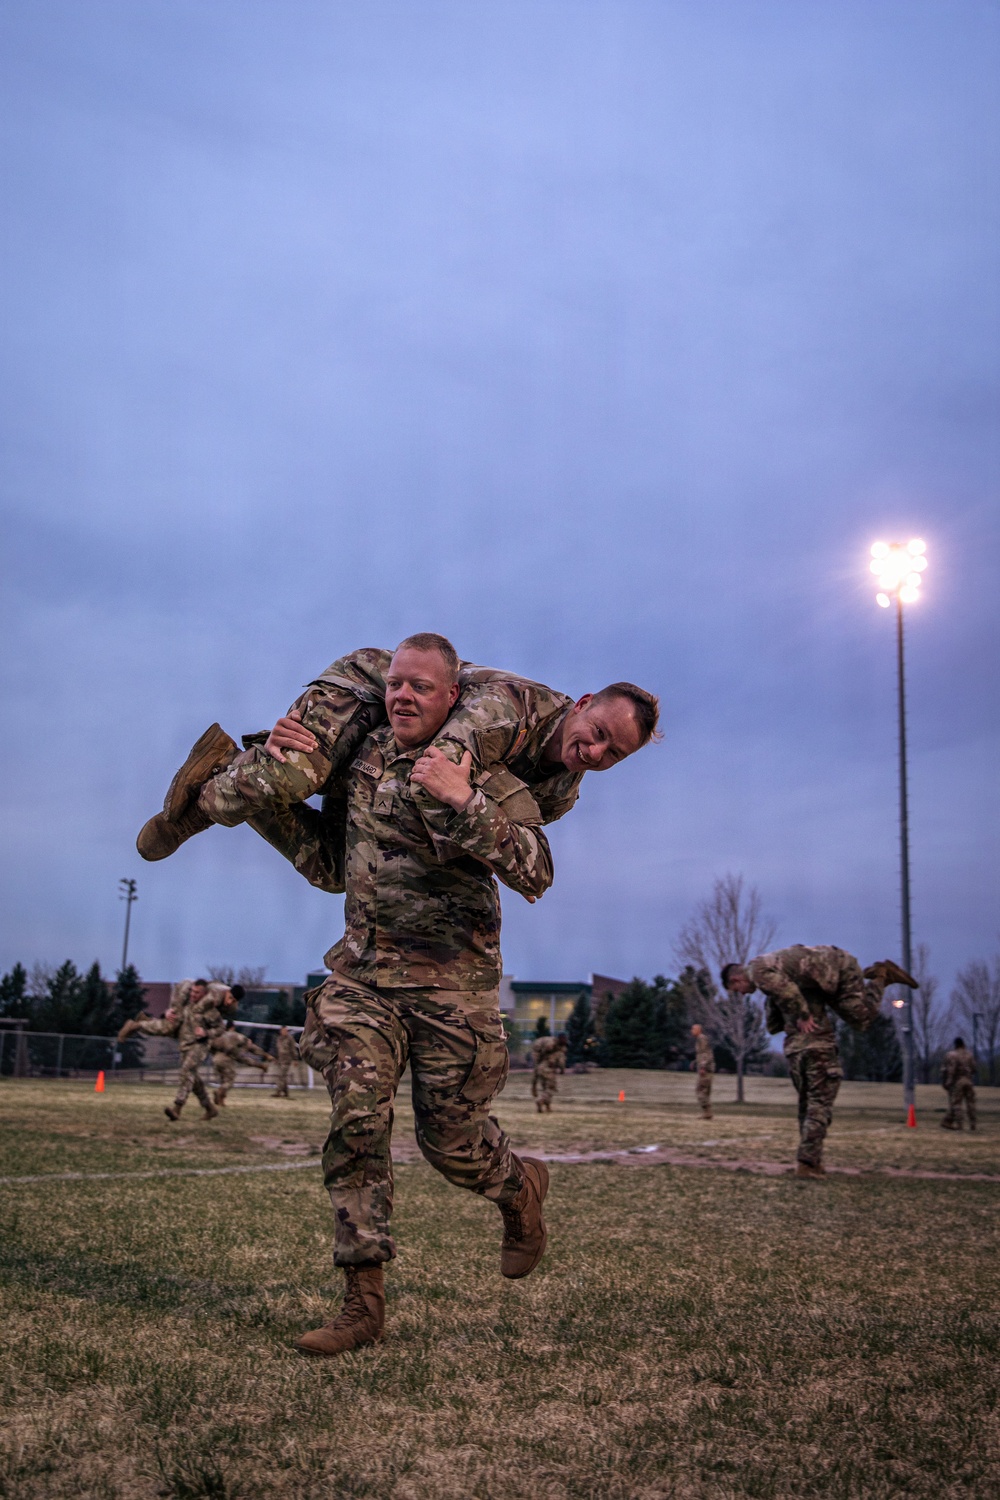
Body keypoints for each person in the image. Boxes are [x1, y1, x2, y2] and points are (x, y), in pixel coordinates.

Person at [284, 634, 572, 1358]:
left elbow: (536, 871)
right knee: (358, 1115)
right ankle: (362, 1300)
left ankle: (517, 1190)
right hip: (364, 979)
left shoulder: (485, 768)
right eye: (395, 685)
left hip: (452, 989)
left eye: (421, 687)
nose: (404, 696)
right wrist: (289, 756)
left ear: (453, 700)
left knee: (452, 1146)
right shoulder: (362, 758)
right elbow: (325, 857)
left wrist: (465, 799)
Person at [135, 646, 659, 862]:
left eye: (613, 753)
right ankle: (206, 798)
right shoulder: (509, 710)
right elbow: (441, 776)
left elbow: (498, 837)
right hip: (374, 696)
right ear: (584, 703)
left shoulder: (561, 792)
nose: (594, 751)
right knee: (298, 776)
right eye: (596, 732)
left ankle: (239, 769)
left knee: (338, 868)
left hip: (396, 747)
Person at [722, 948, 917, 1178]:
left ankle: (812, 1162)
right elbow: (787, 994)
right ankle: (808, 1163)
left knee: (808, 1108)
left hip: (797, 1049)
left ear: (736, 979)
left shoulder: (765, 975)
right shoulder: (776, 982)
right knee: (818, 1107)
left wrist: (797, 1011)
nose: (742, 994)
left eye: (737, 990)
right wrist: (801, 1007)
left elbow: (774, 1024)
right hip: (818, 1048)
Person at [211, 1020, 270, 1105]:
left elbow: (211, 1047)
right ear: (233, 1027)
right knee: (230, 1080)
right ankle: (219, 1091)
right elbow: (250, 1046)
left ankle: (221, 1101)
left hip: (216, 1059)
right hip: (226, 1060)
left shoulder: (219, 1036)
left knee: (224, 1080)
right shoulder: (235, 1035)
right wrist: (264, 1054)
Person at [940, 1037, 977, 1131]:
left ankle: (960, 1125)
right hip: (968, 1081)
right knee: (971, 1103)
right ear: (963, 1044)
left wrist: (948, 1082)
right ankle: (973, 1124)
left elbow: (950, 1070)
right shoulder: (969, 1055)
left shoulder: (952, 1055)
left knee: (957, 1104)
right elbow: (974, 1069)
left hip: (958, 1081)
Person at [531, 1033, 567, 1113]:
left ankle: (547, 1107)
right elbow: (561, 1062)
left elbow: (538, 1056)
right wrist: (562, 1070)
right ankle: (540, 1101)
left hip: (541, 1068)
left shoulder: (549, 1052)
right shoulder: (558, 1051)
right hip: (548, 1070)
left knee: (545, 1088)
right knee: (551, 1088)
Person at [691, 1023, 714, 1120]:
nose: (691, 1031)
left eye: (693, 1029)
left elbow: (705, 1053)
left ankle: (707, 1112)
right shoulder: (700, 1039)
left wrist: (703, 1067)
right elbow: (703, 1053)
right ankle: (707, 1113)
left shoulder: (701, 1038)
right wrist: (695, 1062)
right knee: (704, 1090)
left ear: (698, 1030)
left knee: (700, 1090)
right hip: (707, 1068)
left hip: (706, 1069)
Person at [272, 1025, 299, 1098]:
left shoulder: (290, 1039)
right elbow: (277, 1049)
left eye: (285, 1030)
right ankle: (286, 1092)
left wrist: (295, 1059)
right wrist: (275, 1058)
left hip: (287, 1060)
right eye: (283, 1030)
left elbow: (293, 1049)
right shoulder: (279, 1039)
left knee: (281, 1075)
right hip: (280, 1060)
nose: (284, 1032)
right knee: (282, 1076)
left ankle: (278, 1092)